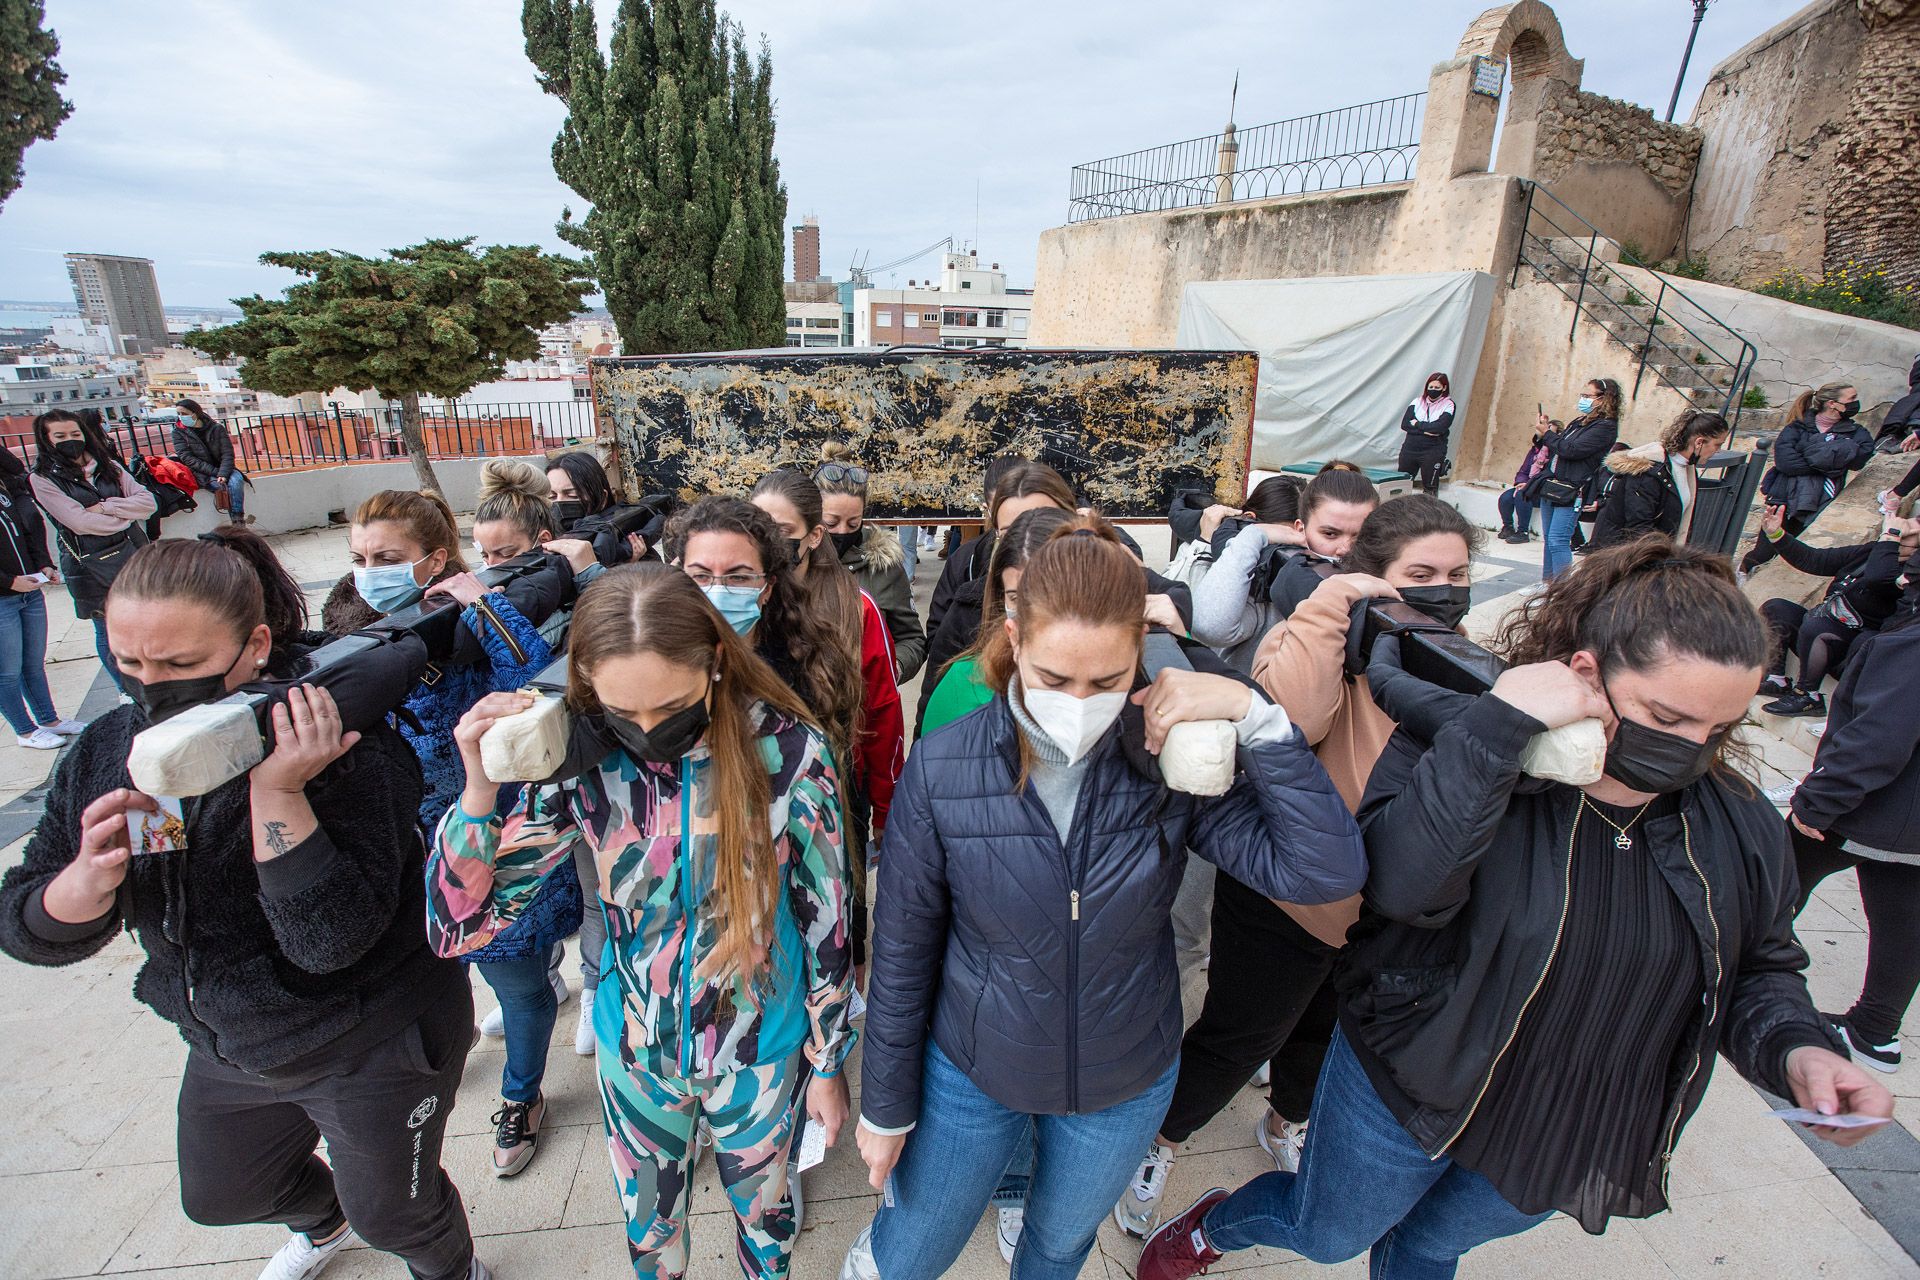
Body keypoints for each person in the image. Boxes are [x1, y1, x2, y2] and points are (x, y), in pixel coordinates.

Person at [1141, 537, 1896, 1280]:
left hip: (1577, 1115)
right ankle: (1216, 1225)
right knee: (1328, 1232)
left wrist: (1798, 1046)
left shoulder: (1735, 819)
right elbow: (1402, 891)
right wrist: (1497, 733)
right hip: (1416, 1083)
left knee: (1433, 1245)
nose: (1692, 749)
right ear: (1585, 674)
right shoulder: (1466, 749)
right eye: (1666, 718)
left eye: (1717, 728)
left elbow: (1759, 958)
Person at [841, 514, 1366, 1280]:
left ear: (1141, 663)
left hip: (1123, 1076)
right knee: (915, 1244)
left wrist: (1257, 719)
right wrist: (885, 1104)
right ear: (1015, 638)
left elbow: (1323, 872)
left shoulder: (1166, 763)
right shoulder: (947, 768)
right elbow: (902, 951)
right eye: (1055, 678)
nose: (1078, 702)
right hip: (975, 1068)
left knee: (1057, 1246)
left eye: (1107, 681)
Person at [0, 531, 489, 1280]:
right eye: (127, 662)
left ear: (255, 644)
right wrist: (82, 889)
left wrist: (279, 792)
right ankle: (323, 1225)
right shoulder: (109, 749)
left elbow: (330, 943)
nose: (149, 688)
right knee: (223, 1194)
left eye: (181, 665)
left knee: (394, 1212)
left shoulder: (341, 745)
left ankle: (453, 1271)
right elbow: (25, 920)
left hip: (370, 1034)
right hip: (231, 1037)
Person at [426, 563, 853, 1280]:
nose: (650, 732)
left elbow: (827, 921)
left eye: (672, 706)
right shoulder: (582, 761)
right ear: (587, 684)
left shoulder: (789, 752)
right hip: (637, 1056)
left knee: (767, 1224)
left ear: (716, 662)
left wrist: (829, 1060)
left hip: (762, 1050)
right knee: (652, 1240)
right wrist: (478, 789)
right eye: (626, 712)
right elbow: (458, 928)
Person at [1116, 496, 1480, 1239]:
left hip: (1384, 909)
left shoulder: (1455, 653)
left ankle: (1287, 1118)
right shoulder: (1318, 629)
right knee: (1241, 1033)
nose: (1442, 587)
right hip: (1290, 892)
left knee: (1325, 1026)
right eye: (1421, 573)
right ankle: (1158, 1144)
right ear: (1373, 575)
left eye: (1457, 573)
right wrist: (1335, 602)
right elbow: (1294, 717)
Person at [322, 488, 581, 1177]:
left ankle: (522, 1099)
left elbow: (535, 686)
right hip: (396, 850)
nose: (368, 570)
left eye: (387, 558)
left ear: (433, 559)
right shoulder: (350, 622)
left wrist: (483, 605)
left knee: (518, 983)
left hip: (482, 837)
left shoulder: (470, 624)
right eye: (359, 557)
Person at [1787, 544, 1920, 1073]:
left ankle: (1715, 984)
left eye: (1911, 574)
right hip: (1910, 825)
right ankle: (1875, 1033)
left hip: (1869, 809)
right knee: (1904, 921)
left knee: (1768, 885)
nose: (1903, 583)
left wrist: (1818, 803)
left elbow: (1878, 740)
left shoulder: (1912, 645)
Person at [1189, 462, 1378, 672]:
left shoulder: (1383, 579)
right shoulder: (1272, 580)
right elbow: (1210, 627)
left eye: (1359, 536)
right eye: (1330, 534)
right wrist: (1253, 536)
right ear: (1300, 529)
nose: (1344, 549)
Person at [29, 408, 156, 693]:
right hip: (90, 563)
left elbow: (148, 504)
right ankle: (126, 690)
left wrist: (106, 507)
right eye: (60, 436)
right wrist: (124, 516)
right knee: (106, 628)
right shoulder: (43, 479)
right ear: (46, 439)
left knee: (144, 617)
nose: (70, 440)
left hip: (133, 552)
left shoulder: (107, 466)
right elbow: (79, 523)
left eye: (75, 433)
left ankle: (151, 681)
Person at [920, 506, 1073, 736]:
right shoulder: (965, 682)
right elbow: (930, 759)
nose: (1032, 611)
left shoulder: (1122, 671)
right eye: (1016, 597)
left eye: (1050, 593)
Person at [1753, 506, 1916, 718]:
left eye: (1908, 534)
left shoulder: (1906, 575)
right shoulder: (1871, 551)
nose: (1900, 533)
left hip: (1848, 647)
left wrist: (1890, 537)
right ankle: (1776, 680)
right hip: (1819, 630)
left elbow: (1879, 576)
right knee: (1777, 608)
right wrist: (1776, 534)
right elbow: (1816, 560)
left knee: (1817, 625)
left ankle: (1808, 695)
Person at [815, 444, 928, 682]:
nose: (842, 532)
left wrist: (893, 667)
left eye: (853, 523)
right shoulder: (796, 562)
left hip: (868, 703)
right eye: (831, 523)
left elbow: (913, 639)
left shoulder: (884, 565)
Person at [1742, 383, 1874, 574]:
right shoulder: (1797, 427)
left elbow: (1860, 459)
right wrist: (1832, 461)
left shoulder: (1856, 432)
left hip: (1821, 500)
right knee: (1764, 553)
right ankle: (1740, 576)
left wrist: (1812, 456)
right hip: (1784, 499)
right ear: (1832, 404)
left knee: (1797, 556)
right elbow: (1786, 463)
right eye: (1851, 399)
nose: (1856, 402)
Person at [0, 443, 83, 749]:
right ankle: (24, 731)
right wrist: (9, 582)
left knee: (32, 665)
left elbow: (27, 530)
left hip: (29, 591)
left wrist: (43, 565)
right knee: (6, 672)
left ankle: (49, 720)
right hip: (5, 597)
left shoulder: (8, 492)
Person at [1588, 410, 1731, 552]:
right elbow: (1639, 527)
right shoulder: (1649, 471)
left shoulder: (1687, 469)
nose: (1718, 451)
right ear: (1699, 442)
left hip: (1656, 554)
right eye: (1717, 445)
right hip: (1625, 557)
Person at [1530, 378, 1620, 579]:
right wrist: (1546, 432)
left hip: (1572, 489)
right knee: (1549, 540)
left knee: (1558, 540)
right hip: (1553, 484)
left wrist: (1548, 435)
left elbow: (1572, 450)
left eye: (1588, 396)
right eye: (1583, 396)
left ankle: (1561, 590)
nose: (1584, 400)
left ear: (1604, 399)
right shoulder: (1580, 422)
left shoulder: (1606, 427)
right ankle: (1548, 585)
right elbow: (1558, 445)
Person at [546, 449, 668, 567]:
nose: (559, 503)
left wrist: (627, 566)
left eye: (572, 495)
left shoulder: (624, 545)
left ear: (602, 498)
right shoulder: (540, 537)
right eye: (552, 496)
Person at [172, 397, 250, 524]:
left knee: (236, 482)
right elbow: (187, 458)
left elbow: (227, 453)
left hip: (225, 468)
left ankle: (238, 521)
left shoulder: (216, 428)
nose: (181, 417)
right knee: (223, 487)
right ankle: (237, 526)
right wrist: (216, 473)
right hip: (202, 472)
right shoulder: (178, 432)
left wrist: (223, 473)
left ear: (195, 413)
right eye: (179, 414)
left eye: (184, 413)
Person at [1396, 373, 1454, 495]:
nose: (1433, 390)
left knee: (1430, 487)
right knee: (1402, 484)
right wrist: (1427, 430)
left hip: (1432, 450)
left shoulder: (1448, 405)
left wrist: (1417, 424)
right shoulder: (1416, 402)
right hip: (1410, 448)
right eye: (1430, 387)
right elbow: (1405, 424)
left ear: (1444, 388)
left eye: (1437, 388)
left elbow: (1439, 428)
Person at [1498, 430, 1553, 544]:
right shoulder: (1534, 451)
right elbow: (1523, 471)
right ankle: (1508, 527)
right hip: (1526, 485)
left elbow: (1548, 476)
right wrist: (1521, 482)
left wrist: (1529, 485)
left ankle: (1523, 532)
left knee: (1521, 496)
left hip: (1540, 490)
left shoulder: (1554, 455)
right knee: (1505, 498)